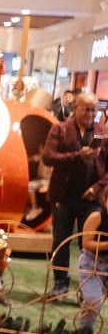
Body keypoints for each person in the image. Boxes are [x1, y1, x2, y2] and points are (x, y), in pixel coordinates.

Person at [42, 92, 108, 299]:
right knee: (60, 240)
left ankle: (86, 287)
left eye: (93, 110)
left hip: (90, 199)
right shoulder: (60, 129)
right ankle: (60, 283)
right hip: (63, 196)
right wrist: (77, 155)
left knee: (86, 244)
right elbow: (48, 157)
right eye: (85, 109)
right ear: (75, 108)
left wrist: (96, 189)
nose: (90, 114)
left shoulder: (103, 133)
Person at [78, 185, 108, 331]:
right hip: (92, 263)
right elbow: (86, 242)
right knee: (93, 301)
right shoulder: (97, 216)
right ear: (105, 200)